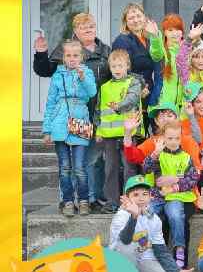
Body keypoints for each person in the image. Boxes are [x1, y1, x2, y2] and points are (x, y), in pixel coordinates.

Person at [33, 13, 111, 211]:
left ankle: (90, 199)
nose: (88, 29)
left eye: (91, 26)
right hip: (68, 116)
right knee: (68, 165)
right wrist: (41, 53)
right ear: (75, 31)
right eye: (83, 27)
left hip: (94, 115)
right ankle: (67, 200)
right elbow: (45, 70)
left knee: (91, 161)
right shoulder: (66, 49)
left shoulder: (105, 51)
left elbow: (116, 75)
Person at [109, 175, 192, 272]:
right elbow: (125, 241)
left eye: (145, 194)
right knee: (129, 247)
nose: (141, 198)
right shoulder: (122, 216)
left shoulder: (154, 219)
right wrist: (134, 217)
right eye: (136, 195)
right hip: (121, 263)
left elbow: (161, 251)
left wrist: (177, 271)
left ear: (151, 197)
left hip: (144, 262)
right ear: (127, 198)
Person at [42, 40, 97, 217]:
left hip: (80, 120)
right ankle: (67, 201)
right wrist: (47, 130)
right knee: (64, 167)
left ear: (81, 57)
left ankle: (84, 201)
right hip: (59, 123)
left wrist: (83, 78)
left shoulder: (86, 72)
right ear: (63, 57)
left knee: (80, 166)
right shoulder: (57, 75)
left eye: (75, 55)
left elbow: (92, 92)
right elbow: (50, 103)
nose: (72, 59)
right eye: (68, 55)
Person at [142, 121, 200, 270]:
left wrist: (175, 185)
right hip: (158, 196)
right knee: (148, 213)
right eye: (170, 138)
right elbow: (146, 168)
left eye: (177, 138)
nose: (174, 142)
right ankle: (145, 247)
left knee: (175, 215)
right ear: (163, 138)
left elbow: (193, 178)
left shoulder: (186, 157)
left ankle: (179, 248)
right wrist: (155, 153)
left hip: (176, 197)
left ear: (181, 138)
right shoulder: (158, 155)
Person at [94, 49, 144, 213]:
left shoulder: (134, 82)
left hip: (128, 134)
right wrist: (98, 130)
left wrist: (119, 106)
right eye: (114, 66)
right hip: (109, 136)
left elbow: (132, 98)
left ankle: (129, 201)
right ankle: (112, 202)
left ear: (127, 66)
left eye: (120, 66)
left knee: (129, 168)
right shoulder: (105, 87)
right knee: (110, 168)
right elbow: (99, 110)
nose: (117, 69)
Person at [112, 3, 161, 109]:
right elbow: (120, 70)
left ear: (144, 18)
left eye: (139, 16)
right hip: (130, 94)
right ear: (125, 22)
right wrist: (139, 87)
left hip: (149, 92)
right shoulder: (122, 41)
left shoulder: (149, 38)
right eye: (131, 18)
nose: (136, 20)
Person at [147, 14, 185, 110]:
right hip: (161, 106)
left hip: (181, 108)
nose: (174, 33)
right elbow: (156, 52)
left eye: (178, 29)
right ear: (165, 32)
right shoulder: (162, 51)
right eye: (170, 30)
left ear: (182, 32)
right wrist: (155, 36)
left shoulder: (186, 52)